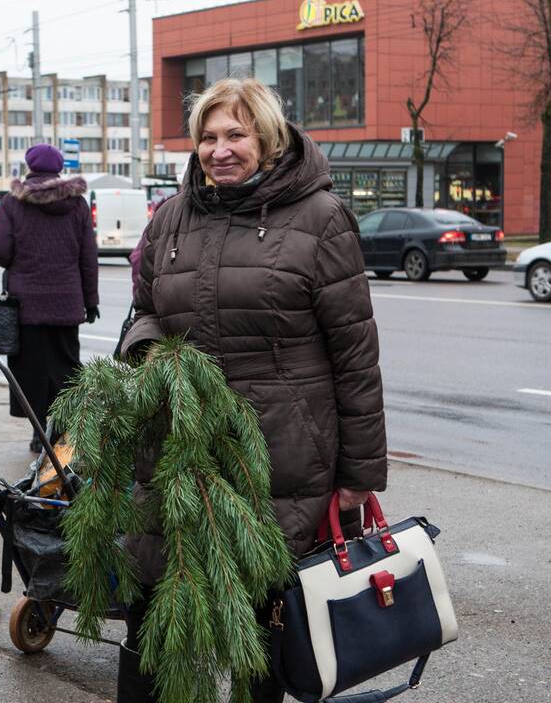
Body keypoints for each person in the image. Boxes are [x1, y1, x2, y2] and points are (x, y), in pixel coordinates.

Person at [118, 78, 388, 701]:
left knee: (262, 640)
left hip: (281, 458)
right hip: (179, 454)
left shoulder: (321, 218)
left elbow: (356, 356)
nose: (220, 150)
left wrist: (359, 473)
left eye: (235, 134)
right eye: (208, 137)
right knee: (155, 615)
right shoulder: (172, 218)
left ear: (266, 137)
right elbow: (142, 311)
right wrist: (150, 349)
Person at [0, 143, 99, 452]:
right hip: (66, 303)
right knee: (65, 368)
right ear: (59, 168)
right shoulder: (77, 205)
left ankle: (39, 432)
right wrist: (91, 301)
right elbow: (89, 257)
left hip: (26, 306)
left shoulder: (13, 203)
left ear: (30, 166)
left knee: (30, 371)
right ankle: (62, 431)